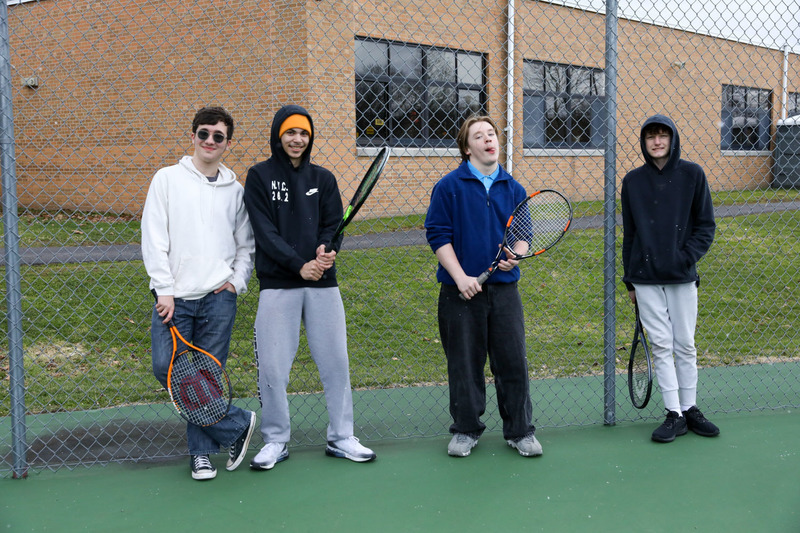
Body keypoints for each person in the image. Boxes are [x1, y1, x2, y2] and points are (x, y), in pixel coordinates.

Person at [243, 104, 376, 470]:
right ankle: (275, 440)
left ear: (310, 137)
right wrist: (298, 265)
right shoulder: (258, 177)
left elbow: (333, 225)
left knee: (336, 362)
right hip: (278, 284)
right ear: (278, 135)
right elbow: (264, 232)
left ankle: (341, 436)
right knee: (272, 368)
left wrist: (325, 252)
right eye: (290, 132)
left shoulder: (325, 178)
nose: (297, 139)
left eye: (303, 133)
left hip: (323, 285)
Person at [141, 106, 257, 480]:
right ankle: (236, 424)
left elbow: (246, 246)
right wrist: (164, 289)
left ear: (227, 144)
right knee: (168, 367)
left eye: (218, 136)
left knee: (205, 376)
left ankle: (202, 455)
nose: (209, 141)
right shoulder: (167, 179)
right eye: (203, 133)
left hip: (218, 297)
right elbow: (154, 238)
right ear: (192, 137)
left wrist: (235, 283)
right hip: (174, 298)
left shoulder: (235, 190)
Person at [424, 115, 542, 458]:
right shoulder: (449, 187)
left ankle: (520, 431)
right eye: (479, 135)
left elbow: (523, 236)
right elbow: (438, 235)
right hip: (458, 294)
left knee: (512, 363)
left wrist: (515, 256)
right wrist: (461, 278)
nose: (489, 139)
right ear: (467, 148)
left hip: (504, 292)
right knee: (463, 363)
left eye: (492, 133)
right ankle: (465, 429)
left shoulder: (513, 188)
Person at [621, 114, 719, 443]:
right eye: (651, 137)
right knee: (661, 345)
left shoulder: (693, 174)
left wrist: (684, 258)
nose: (657, 141)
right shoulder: (633, 181)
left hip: (682, 277)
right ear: (644, 142)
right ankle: (674, 413)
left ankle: (690, 407)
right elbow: (630, 234)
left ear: (673, 139)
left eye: (663, 135)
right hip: (645, 278)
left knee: (685, 344)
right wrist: (630, 281)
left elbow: (706, 226)